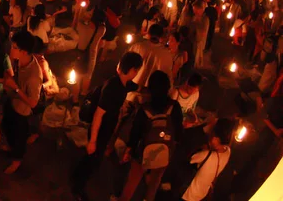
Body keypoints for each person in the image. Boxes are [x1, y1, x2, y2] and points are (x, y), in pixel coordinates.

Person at [71, 52, 142, 201]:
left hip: (106, 129)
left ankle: (77, 176)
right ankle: (77, 188)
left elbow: (135, 87)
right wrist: (93, 141)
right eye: (137, 70)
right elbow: (98, 114)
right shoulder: (113, 89)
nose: (137, 73)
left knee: (92, 158)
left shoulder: (123, 83)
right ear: (133, 70)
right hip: (100, 129)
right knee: (92, 160)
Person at [118, 70, 184, 201]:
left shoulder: (145, 109)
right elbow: (178, 130)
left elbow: (135, 133)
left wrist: (129, 149)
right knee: (155, 182)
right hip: (164, 151)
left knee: (132, 181)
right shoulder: (174, 107)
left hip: (142, 152)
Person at [1, 31, 43, 174]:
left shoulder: (34, 76)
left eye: (14, 47)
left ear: (24, 51)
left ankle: (17, 161)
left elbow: (33, 103)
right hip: (12, 102)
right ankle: (11, 147)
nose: (11, 49)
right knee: (7, 127)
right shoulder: (20, 61)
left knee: (19, 137)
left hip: (22, 111)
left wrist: (16, 88)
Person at [181, 119, 233, 201]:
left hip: (189, 193)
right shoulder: (228, 151)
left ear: (216, 138)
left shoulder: (206, 155)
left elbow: (189, 158)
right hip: (202, 193)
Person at [128, 24, 174, 89]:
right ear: (161, 37)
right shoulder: (166, 54)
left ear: (148, 34)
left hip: (132, 90)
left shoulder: (137, 47)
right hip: (152, 92)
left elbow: (124, 66)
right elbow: (168, 76)